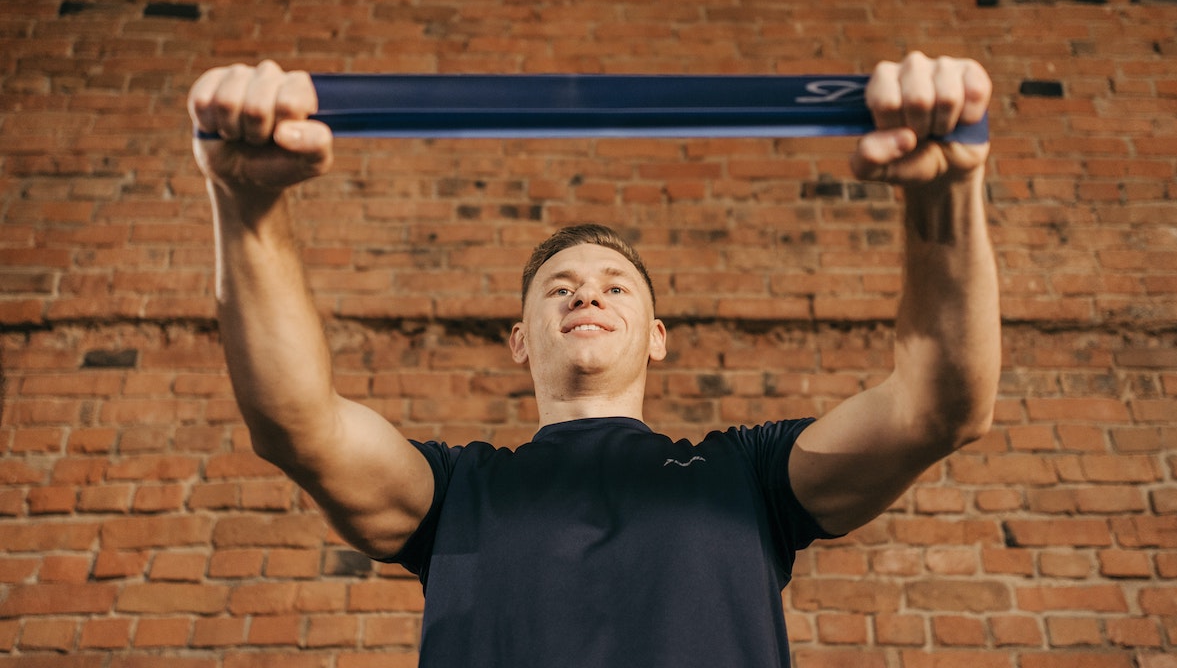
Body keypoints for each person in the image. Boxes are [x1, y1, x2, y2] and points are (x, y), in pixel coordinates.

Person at [187, 53, 1000, 667]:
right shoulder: (450, 492)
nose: (586, 296)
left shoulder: (750, 476)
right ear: (519, 340)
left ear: (655, 335)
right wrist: (247, 207)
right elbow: (298, 424)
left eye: (616, 286)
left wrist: (946, 192)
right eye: (559, 288)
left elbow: (940, 408)